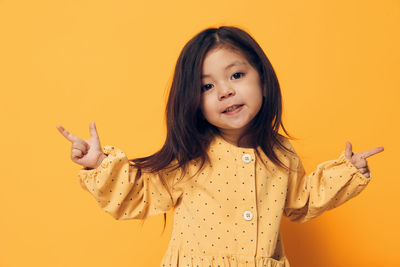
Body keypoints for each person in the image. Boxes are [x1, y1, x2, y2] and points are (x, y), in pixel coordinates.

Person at [56, 26, 384, 267]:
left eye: (237, 75)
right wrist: (98, 163)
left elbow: (300, 201)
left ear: (264, 82)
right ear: (194, 102)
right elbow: (141, 196)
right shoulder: (191, 155)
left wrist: (347, 172)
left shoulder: (280, 152)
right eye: (207, 86)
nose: (224, 91)